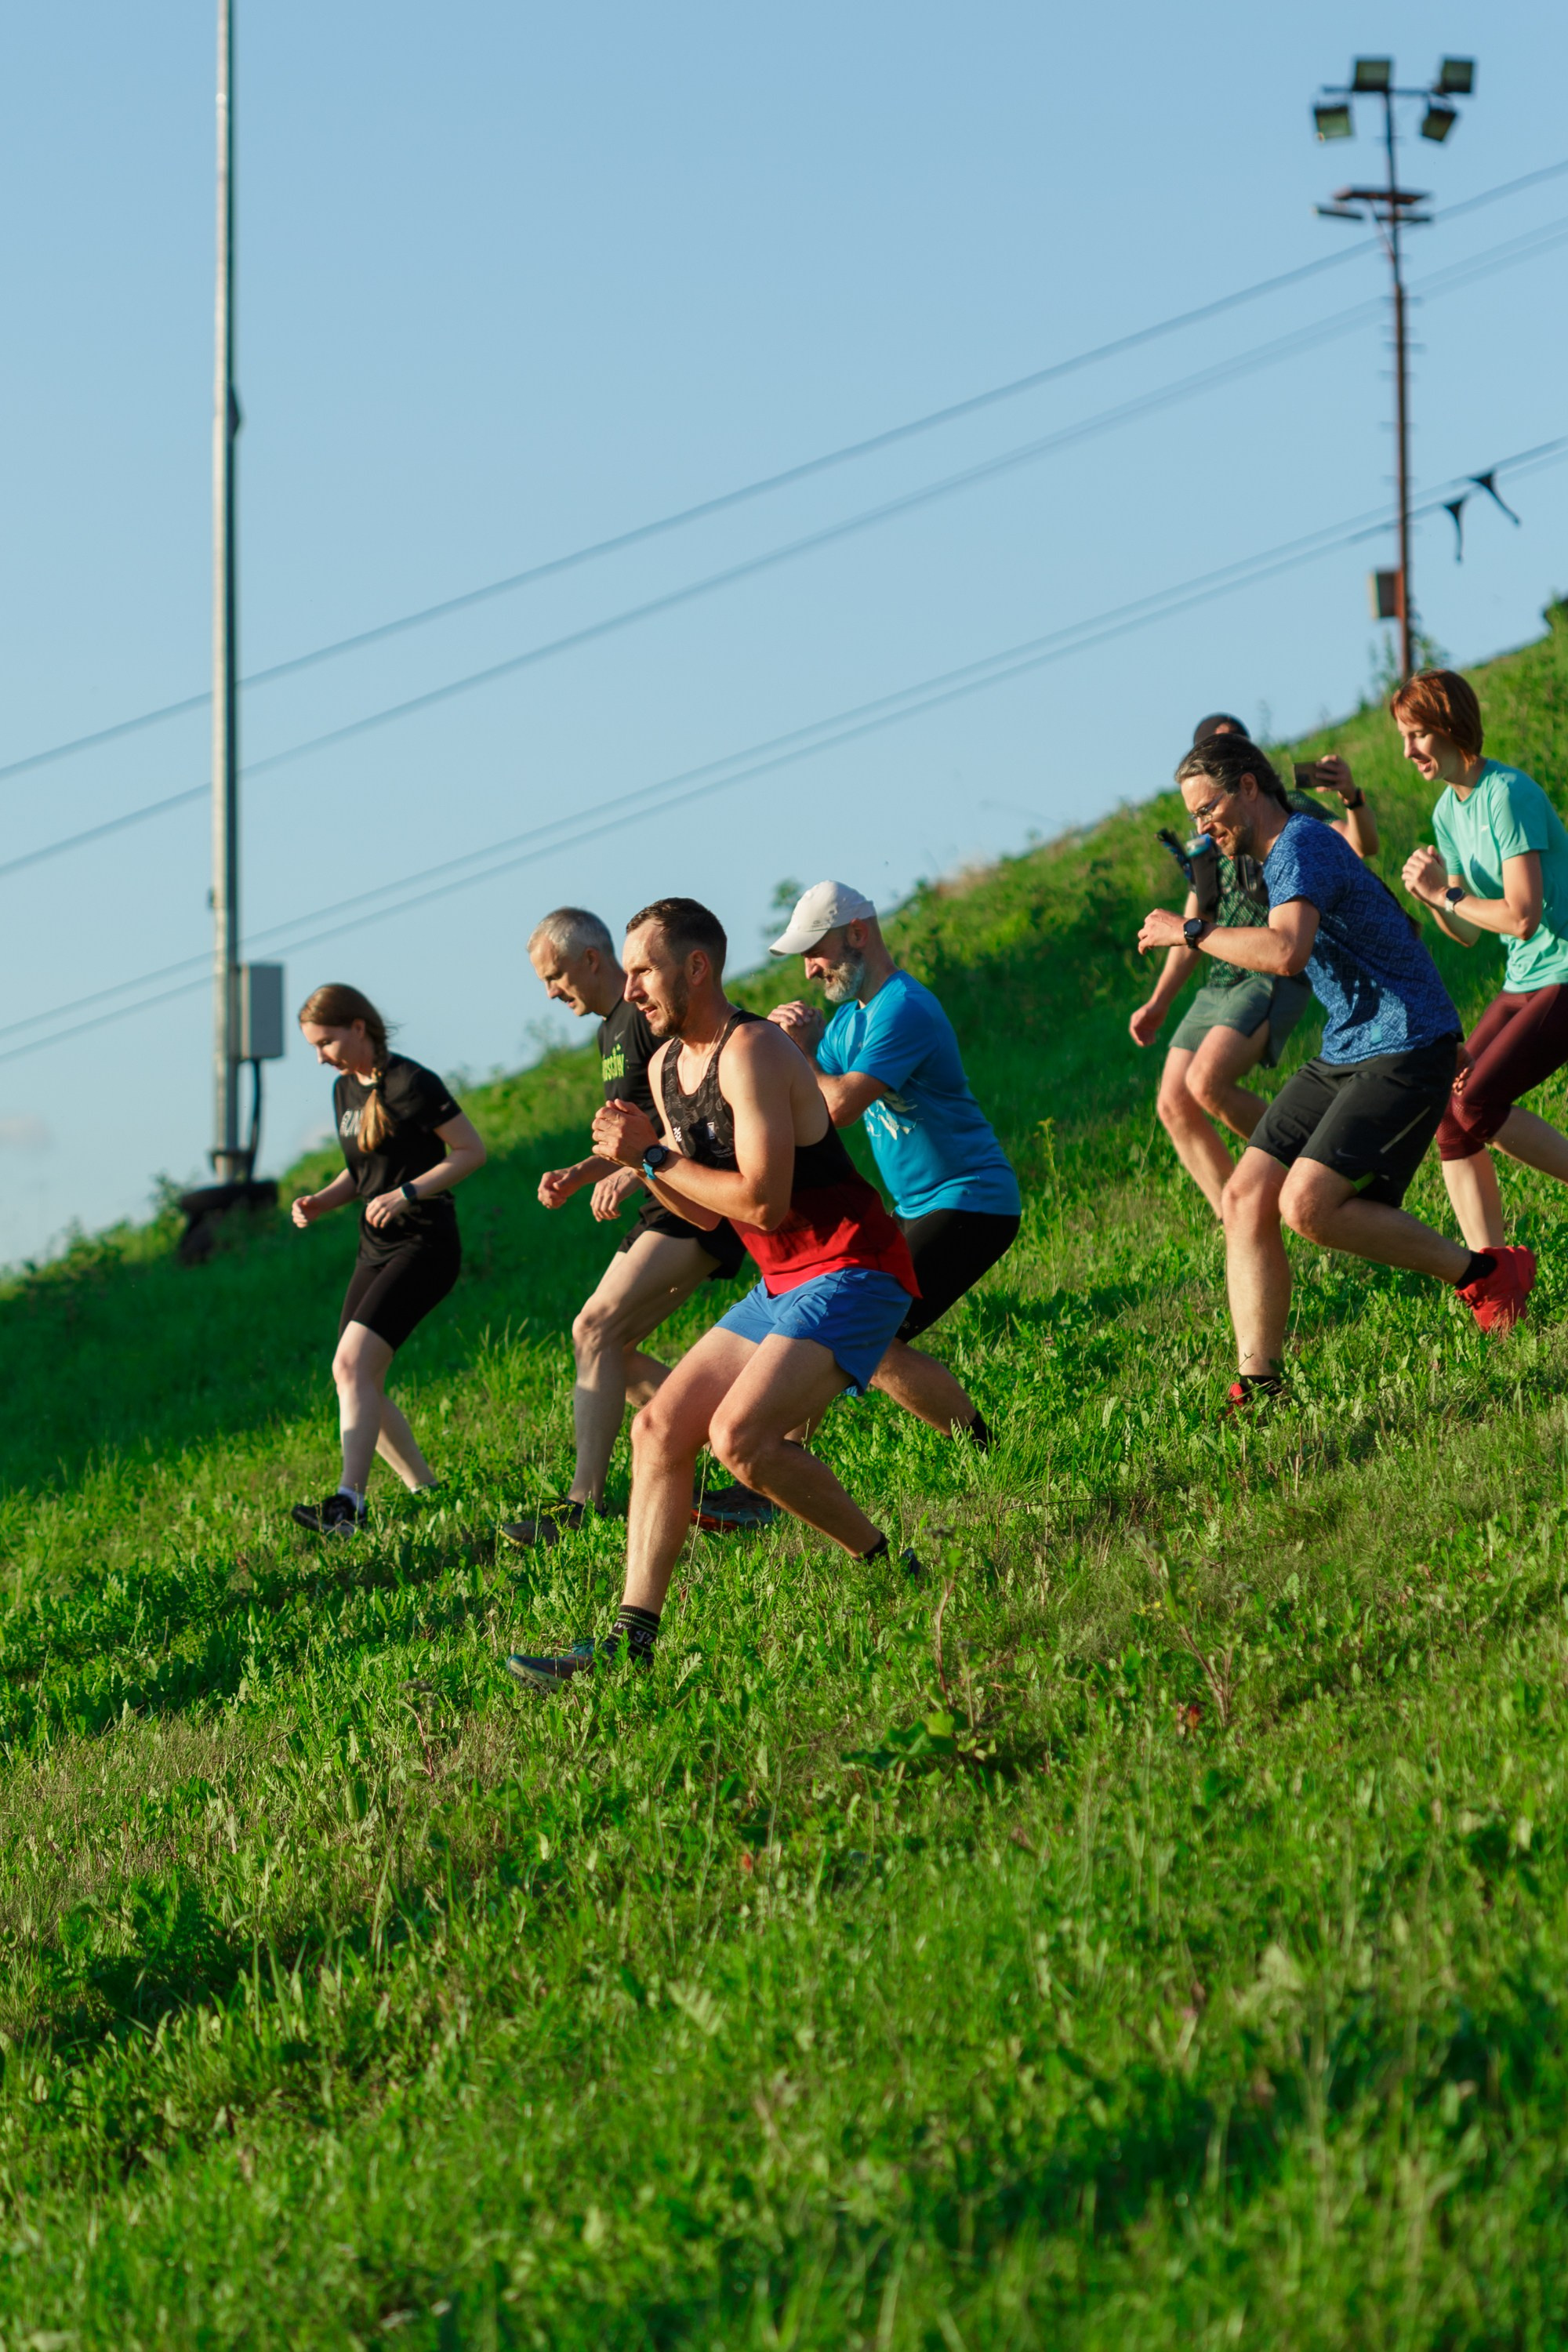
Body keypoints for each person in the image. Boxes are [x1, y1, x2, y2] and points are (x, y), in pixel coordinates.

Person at [506, 897, 920, 1690]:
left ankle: (883, 1564)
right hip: (782, 1281)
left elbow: (762, 1202)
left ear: (696, 968)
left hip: (853, 1265)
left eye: (644, 971)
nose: (631, 989)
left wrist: (652, 1159)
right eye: (628, 973)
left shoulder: (754, 1050)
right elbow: (704, 1216)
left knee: (737, 1440)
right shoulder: (666, 1066)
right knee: (658, 1427)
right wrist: (643, 1162)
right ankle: (630, 1645)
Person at [1135, 735, 1536, 1408]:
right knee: (1244, 1197)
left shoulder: (1298, 844)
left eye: (1208, 810)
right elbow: (1384, 921)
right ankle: (1260, 1385)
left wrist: (1191, 931)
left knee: (1307, 1206)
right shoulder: (1283, 852)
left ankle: (1486, 1273)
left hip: (1404, 1042)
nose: (1203, 829)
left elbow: (1287, 953)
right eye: (1194, 817)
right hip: (1352, 1043)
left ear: (1249, 787)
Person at [501, 908, 748, 1548]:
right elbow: (636, 1128)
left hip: (691, 1199)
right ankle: (740, 1436)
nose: (550, 993)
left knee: (594, 1330)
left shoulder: (645, 1018)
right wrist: (583, 1172)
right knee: (609, 1348)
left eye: (555, 975)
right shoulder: (610, 1032)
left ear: (590, 959)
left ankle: (582, 1504)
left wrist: (640, 1169)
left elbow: (686, 1110)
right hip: (660, 1193)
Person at [765, 879, 1018, 1458]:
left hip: (971, 1201)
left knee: (867, 1336)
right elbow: (805, 1104)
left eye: (815, 951)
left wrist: (803, 1053)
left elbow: (838, 1107)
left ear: (857, 933)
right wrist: (782, 1048)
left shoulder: (903, 1008)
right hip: (916, 1208)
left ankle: (989, 1455)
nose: (808, 970)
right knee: (828, 1323)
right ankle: (774, 1468)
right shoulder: (849, 1021)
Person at [1131, 711, 1381, 1214]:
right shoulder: (1205, 840)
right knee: (1173, 1102)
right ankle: (1237, 1217)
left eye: (1236, 748)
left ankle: (1332, 1166)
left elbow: (1360, 847)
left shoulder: (1287, 808)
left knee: (1206, 1082)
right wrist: (1158, 1003)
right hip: (1221, 978)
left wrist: (1352, 798)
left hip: (1269, 969)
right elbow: (1194, 923)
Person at [290, 983, 487, 1534]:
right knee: (354, 1374)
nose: (320, 1057)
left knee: (352, 1366)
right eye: (314, 1046)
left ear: (359, 1027)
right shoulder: (343, 1090)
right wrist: (321, 1200)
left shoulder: (412, 1082)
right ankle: (426, 1490)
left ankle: (348, 1504)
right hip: (375, 1245)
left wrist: (409, 1192)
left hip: (425, 1243)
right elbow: (363, 1168)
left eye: (325, 1042)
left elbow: (471, 1151)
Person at [1396, 667, 1568, 1250]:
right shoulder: (1448, 811)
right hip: (1524, 976)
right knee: (1450, 1113)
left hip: (1563, 972)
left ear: (1449, 725)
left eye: (1417, 734)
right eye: (1403, 737)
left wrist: (1447, 894)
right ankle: (1493, 1273)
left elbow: (1522, 915)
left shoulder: (1507, 794)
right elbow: (1469, 932)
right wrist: (1433, 896)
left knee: (1478, 1102)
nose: (1408, 751)